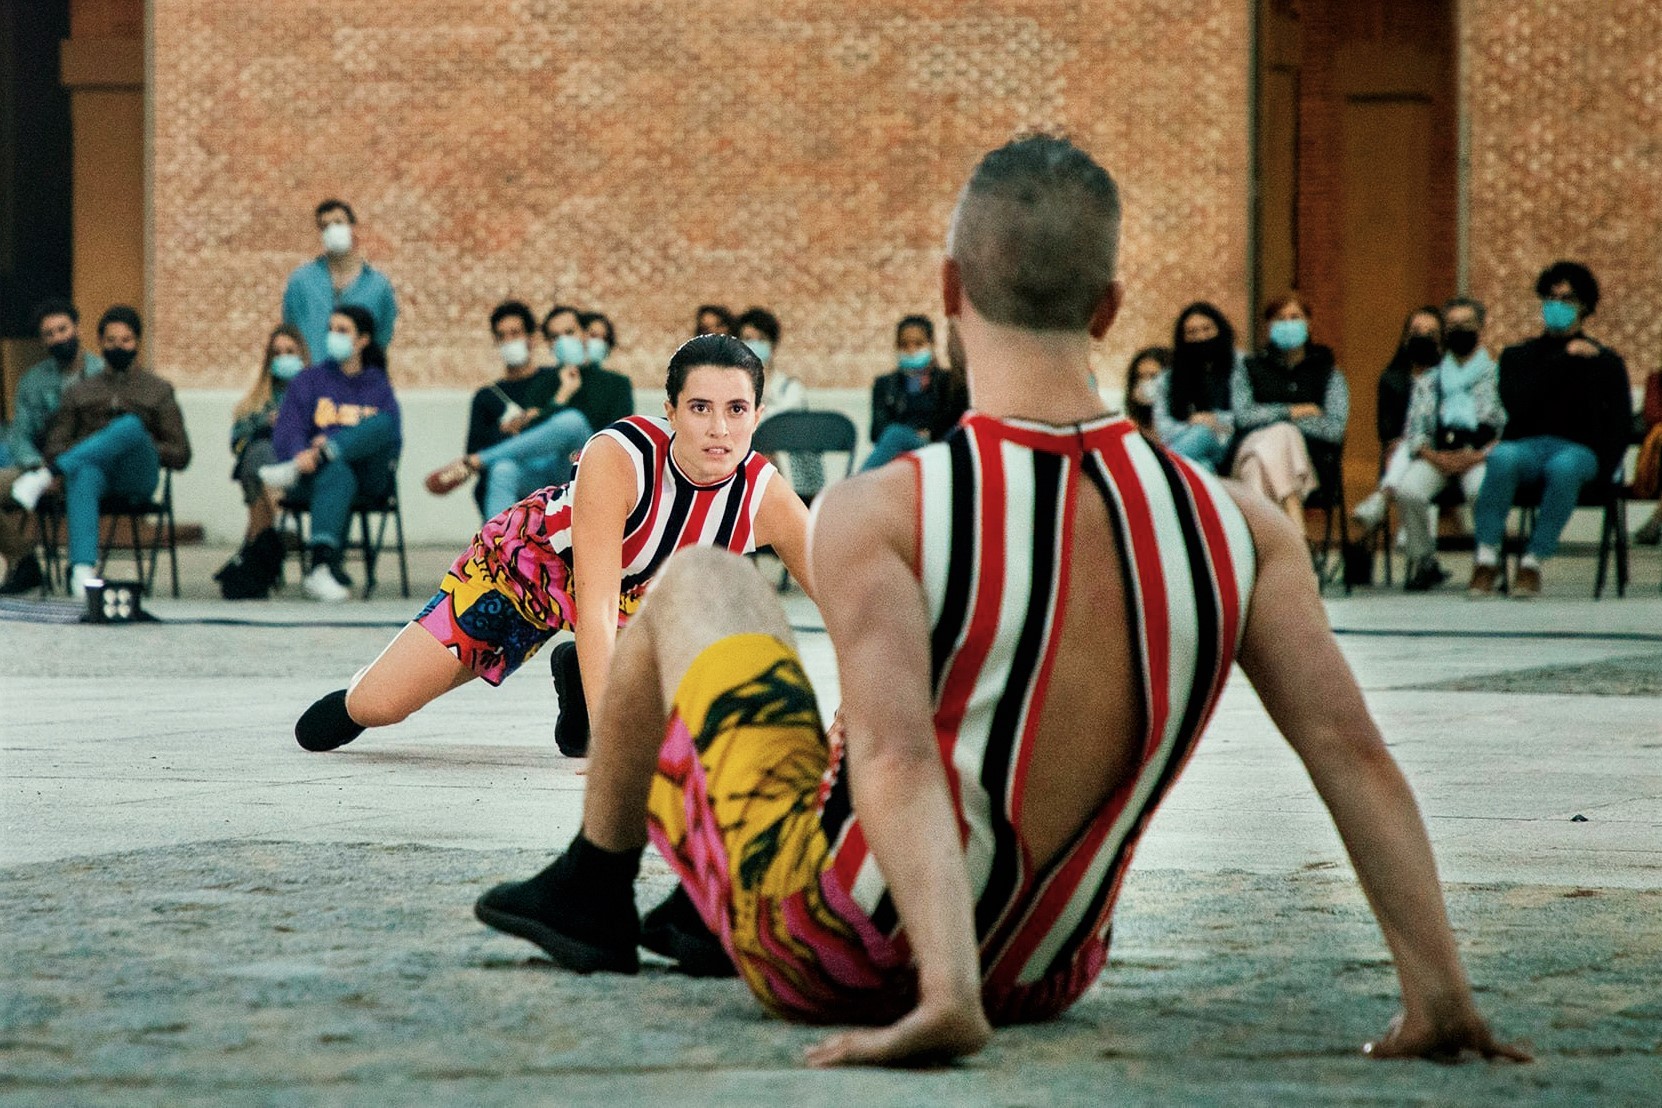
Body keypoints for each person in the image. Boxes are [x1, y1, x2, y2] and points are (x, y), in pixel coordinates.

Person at [471, 134, 1525, 1069]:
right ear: (1110, 308)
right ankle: (667, 902)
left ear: (949, 288)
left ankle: (594, 885)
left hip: (850, 954)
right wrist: (1442, 994)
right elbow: (1352, 751)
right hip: (1053, 968)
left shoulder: (891, 507)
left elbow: (893, 755)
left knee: (708, 576)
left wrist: (948, 999)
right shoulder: (1243, 529)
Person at [291, 333, 814, 766]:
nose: (719, 429)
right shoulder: (619, 456)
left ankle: (580, 687)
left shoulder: (769, 499)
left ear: (758, 413)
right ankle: (361, 693)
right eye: (700, 408)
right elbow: (596, 605)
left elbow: (858, 607)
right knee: (379, 705)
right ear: (671, 411)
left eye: (736, 409)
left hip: (640, 603)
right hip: (527, 572)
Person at [1467, 261, 1632, 597]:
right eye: (1551, 297)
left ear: (1584, 307)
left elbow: (1620, 421)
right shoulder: (1519, 356)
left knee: (1565, 467)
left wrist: (1607, 469)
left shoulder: (1605, 362)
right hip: (1526, 446)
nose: (1557, 305)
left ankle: (1532, 562)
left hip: (1578, 452)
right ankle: (1486, 558)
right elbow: (1517, 402)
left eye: (1567, 299)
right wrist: (1563, 360)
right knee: (1502, 458)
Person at [33, 306, 192, 596]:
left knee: (130, 426)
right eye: (111, 341)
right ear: (100, 342)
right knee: (83, 471)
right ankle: (82, 571)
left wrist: (126, 441)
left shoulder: (158, 390)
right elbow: (54, 446)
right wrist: (99, 445)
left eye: (126, 341)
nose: (118, 347)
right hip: (97, 477)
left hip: (138, 473)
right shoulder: (79, 392)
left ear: (137, 343)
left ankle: (46, 477)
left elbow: (181, 453)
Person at [259, 304, 402, 603]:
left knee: (381, 424)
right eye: (331, 329)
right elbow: (288, 428)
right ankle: (321, 568)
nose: (333, 336)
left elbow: (391, 437)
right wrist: (300, 453)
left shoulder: (378, 385)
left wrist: (331, 443)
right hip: (319, 476)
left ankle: (326, 454)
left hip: (370, 475)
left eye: (342, 330)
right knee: (337, 471)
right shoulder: (310, 380)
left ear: (362, 340)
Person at [424, 301, 591, 519]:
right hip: (520, 475)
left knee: (571, 421)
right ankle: (496, 549)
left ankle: (478, 461)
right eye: (501, 336)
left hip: (560, 469)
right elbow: (474, 445)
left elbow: (571, 430)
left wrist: (545, 409)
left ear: (531, 338)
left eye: (515, 333)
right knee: (503, 467)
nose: (508, 341)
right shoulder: (487, 396)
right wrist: (506, 431)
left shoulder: (553, 379)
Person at [1388, 298, 1506, 591]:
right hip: (1437, 456)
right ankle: (1424, 562)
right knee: (1409, 491)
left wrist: (1476, 456)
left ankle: (1487, 560)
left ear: (1480, 328)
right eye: (1452, 326)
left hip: (1479, 456)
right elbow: (1414, 430)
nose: (1458, 331)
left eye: (1466, 325)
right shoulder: (1429, 379)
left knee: (1481, 490)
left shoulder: (1496, 374)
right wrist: (1434, 456)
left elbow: (1506, 428)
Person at [0, 300, 106, 594]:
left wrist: (64, 469)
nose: (58, 338)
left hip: (87, 469)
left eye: (63, 329)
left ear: (78, 328)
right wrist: (37, 468)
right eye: (49, 334)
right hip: (39, 469)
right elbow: (18, 435)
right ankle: (24, 560)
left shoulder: (102, 374)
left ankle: (81, 568)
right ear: (42, 340)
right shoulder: (33, 381)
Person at [1232, 294, 1349, 529]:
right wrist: (1291, 412)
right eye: (1280, 319)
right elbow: (1244, 416)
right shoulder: (1248, 368)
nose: (1287, 324)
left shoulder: (1329, 373)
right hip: (1251, 447)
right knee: (1281, 432)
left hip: (1311, 464)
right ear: (1268, 326)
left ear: (1308, 322)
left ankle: (1266, 544)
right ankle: (1297, 533)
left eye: (1294, 317)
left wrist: (1280, 422)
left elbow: (1334, 429)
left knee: (1260, 462)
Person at [215, 325, 312, 599]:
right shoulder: (255, 402)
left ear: (302, 355)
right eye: (276, 353)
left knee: (257, 466)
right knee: (259, 451)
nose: (283, 357)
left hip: (304, 473)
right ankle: (281, 520)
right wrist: (265, 423)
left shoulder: (316, 394)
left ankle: (253, 557)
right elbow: (237, 442)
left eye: (290, 352)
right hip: (263, 469)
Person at [1352, 307, 1445, 536]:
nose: (1422, 338)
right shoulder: (1392, 380)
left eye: (1431, 333)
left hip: (1442, 453)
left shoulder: (1450, 378)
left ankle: (1382, 500)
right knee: (1402, 450)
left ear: (1442, 341)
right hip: (1404, 452)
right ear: (1405, 338)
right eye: (1416, 331)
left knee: (1411, 451)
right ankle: (1415, 537)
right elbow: (1387, 430)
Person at [281, 199, 398, 361]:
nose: (332, 230)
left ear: (353, 227)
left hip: (358, 381)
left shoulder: (378, 286)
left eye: (338, 222)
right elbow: (290, 331)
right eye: (325, 226)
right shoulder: (301, 282)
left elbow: (382, 335)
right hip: (312, 379)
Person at [860, 315, 969, 470]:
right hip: (897, 446)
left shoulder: (948, 382)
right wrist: (911, 433)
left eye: (918, 344)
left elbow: (956, 423)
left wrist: (929, 433)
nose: (911, 350)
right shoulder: (885, 385)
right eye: (904, 345)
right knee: (895, 434)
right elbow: (876, 432)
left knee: (895, 434)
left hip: (937, 446)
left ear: (931, 344)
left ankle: (857, 484)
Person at [740, 306, 822, 494]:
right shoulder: (731, 389)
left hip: (789, 472)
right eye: (748, 339)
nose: (754, 345)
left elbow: (779, 429)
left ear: (773, 344)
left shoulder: (791, 389)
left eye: (760, 339)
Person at [1154, 301, 1240, 471]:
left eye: (1207, 329)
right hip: (1191, 448)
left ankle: (1158, 472)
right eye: (1192, 332)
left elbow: (1246, 414)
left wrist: (1215, 420)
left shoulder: (1240, 365)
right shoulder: (1168, 379)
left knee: (1203, 432)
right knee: (1203, 467)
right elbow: (1163, 428)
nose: (1201, 337)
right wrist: (1193, 425)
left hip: (1230, 444)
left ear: (1220, 329)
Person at [1628, 368, 1661, 545]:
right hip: (1656, 467)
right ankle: (1655, 522)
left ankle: (1656, 521)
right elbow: (1653, 414)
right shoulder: (1657, 379)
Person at [1122, 345, 1170, 439]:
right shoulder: (1130, 427)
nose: (1146, 383)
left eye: (1153, 376)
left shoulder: (1186, 425)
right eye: (1140, 377)